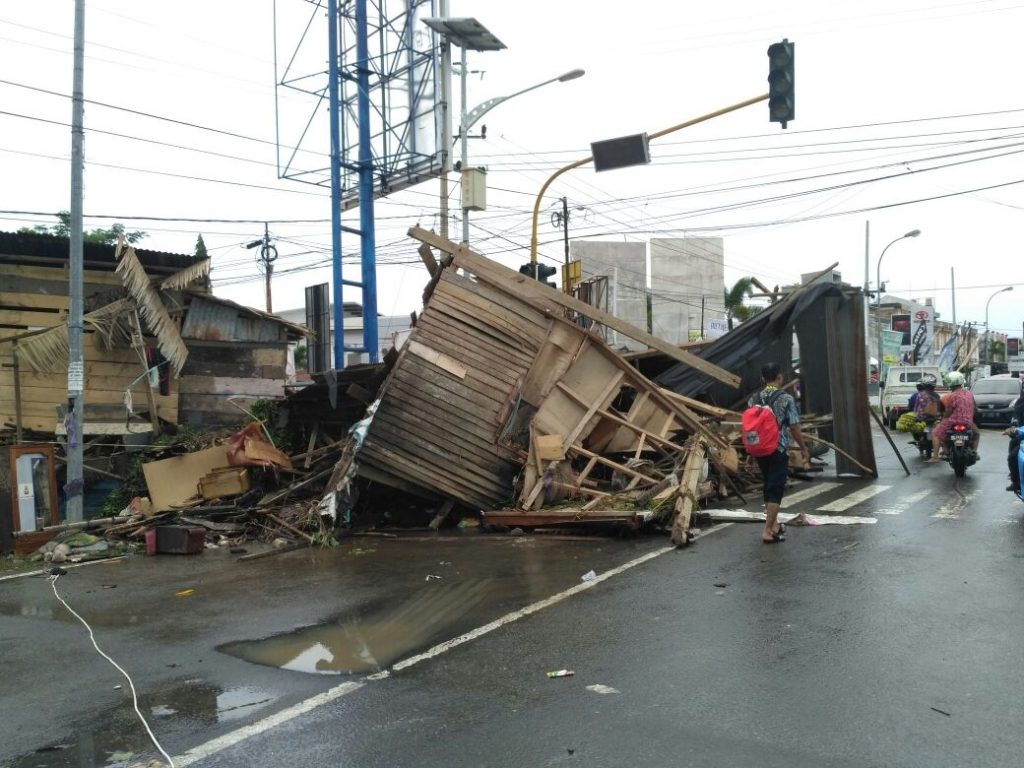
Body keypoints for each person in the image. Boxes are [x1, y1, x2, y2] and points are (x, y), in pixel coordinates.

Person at [748, 363, 809, 543]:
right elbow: (794, 427)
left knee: (769, 485)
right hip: (778, 448)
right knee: (776, 489)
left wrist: (751, 453)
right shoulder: (786, 399)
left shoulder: (754, 398)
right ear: (780, 377)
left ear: (762, 379)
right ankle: (767, 531)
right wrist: (803, 448)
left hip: (760, 449)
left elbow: (752, 429)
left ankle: (774, 525)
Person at [929, 371, 978, 462]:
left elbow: (948, 411)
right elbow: (974, 408)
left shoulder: (952, 396)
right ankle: (974, 451)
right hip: (968, 421)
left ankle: (936, 456)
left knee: (936, 433)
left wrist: (943, 419)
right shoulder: (969, 393)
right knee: (976, 434)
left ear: (951, 384)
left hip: (953, 421)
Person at [1002, 395, 1024, 493]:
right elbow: (1017, 424)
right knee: (1013, 455)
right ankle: (1016, 482)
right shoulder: (1020, 403)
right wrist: (1014, 430)